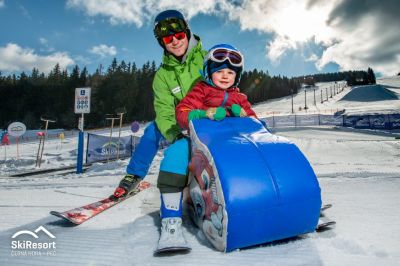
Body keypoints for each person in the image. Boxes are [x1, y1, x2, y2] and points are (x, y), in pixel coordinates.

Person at [112, 10, 207, 251]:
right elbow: (164, 111)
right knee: (153, 130)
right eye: (167, 39)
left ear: (186, 31)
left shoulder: (206, 59)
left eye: (177, 34)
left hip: (207, 120)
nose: (174, 41)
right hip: (179, 123)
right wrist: (176, 134)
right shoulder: (162, 76)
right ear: (161, 43)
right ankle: (134, 175)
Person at [176, 43, 257, 130]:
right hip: (204, 137)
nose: (225, 76)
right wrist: (204, 114)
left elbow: (256, 124)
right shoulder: (201, 90)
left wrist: (245, 116)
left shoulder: (240, 98)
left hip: (234, 139)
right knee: (180, 144)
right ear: (209, 73)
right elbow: (181, 113)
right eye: (219, 71)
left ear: (236, 77)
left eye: (230, 73)